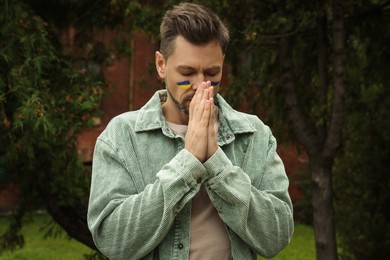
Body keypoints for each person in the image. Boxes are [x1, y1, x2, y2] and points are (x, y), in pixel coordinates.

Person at [87, 2, 293, 260]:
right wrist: (188, 163)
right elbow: (112, 240)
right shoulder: (121, 136)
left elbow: (277, 235)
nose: (199, 85)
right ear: (161, 64)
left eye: (211, 72)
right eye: (187, 72)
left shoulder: (255, 135)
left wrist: (217, 165)